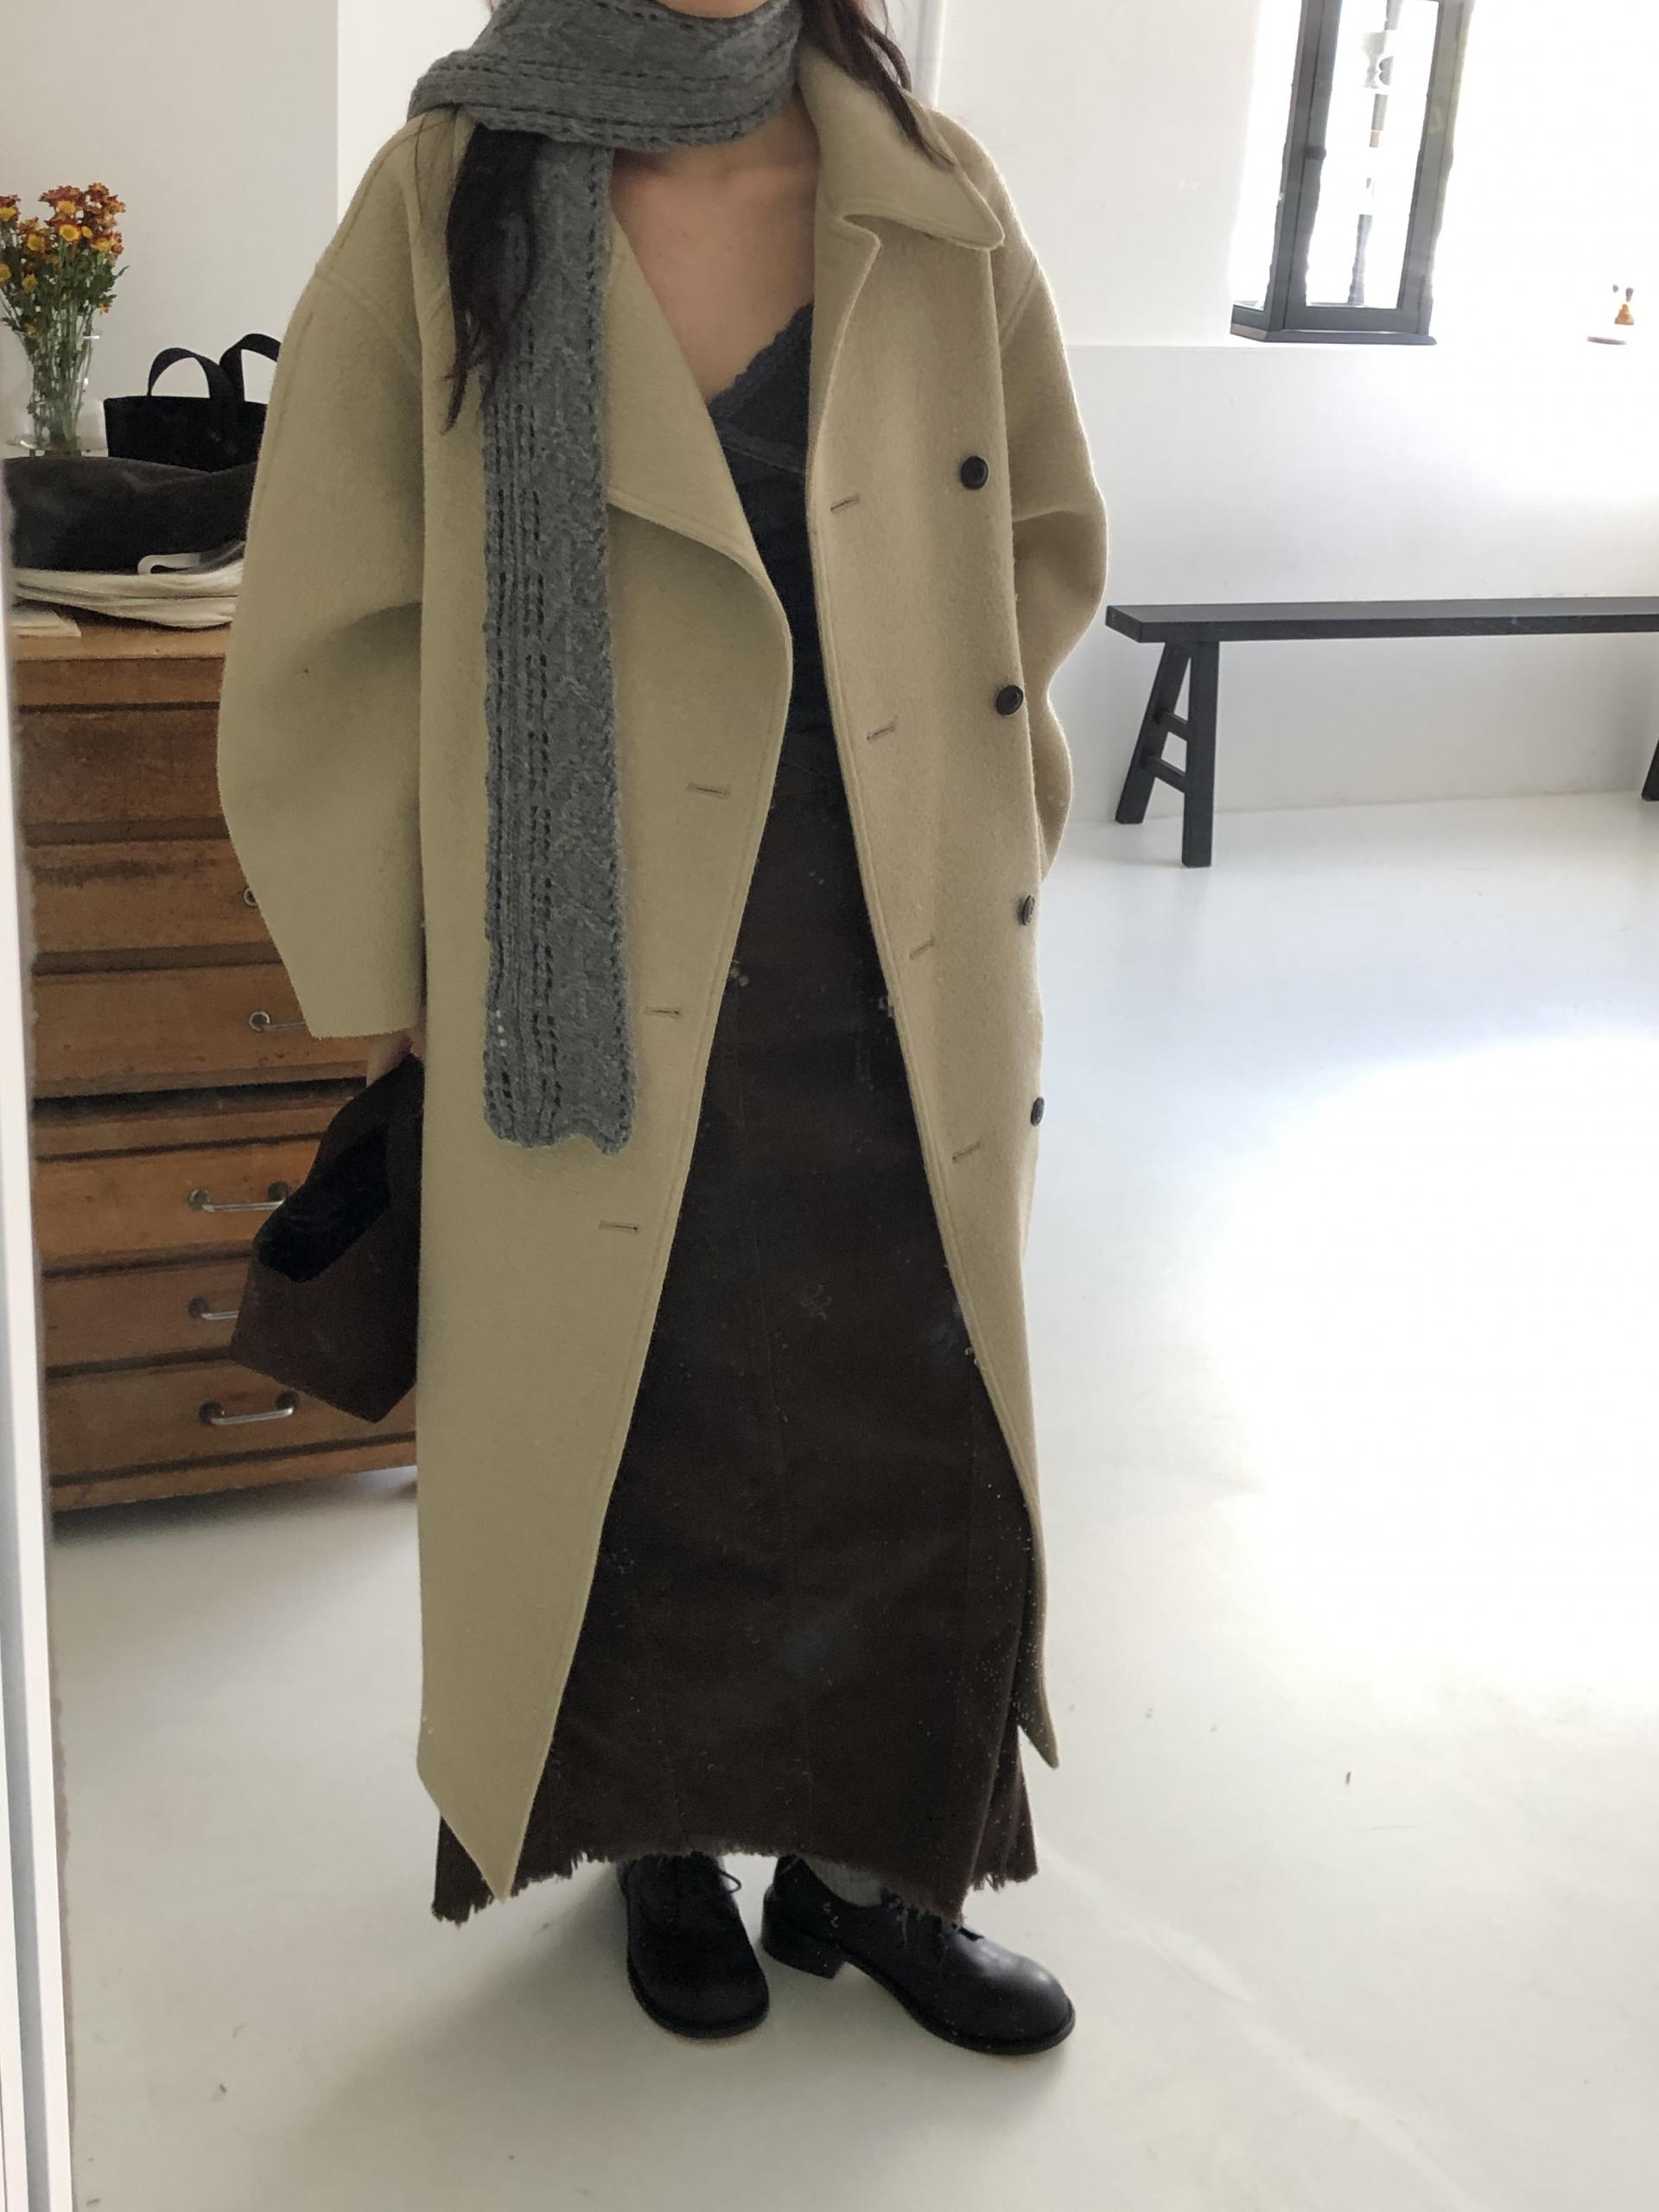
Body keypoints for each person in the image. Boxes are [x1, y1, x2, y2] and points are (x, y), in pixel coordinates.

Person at [216, 0, 1107, 2057]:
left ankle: (879, 1871)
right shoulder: (453, 191)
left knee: (911, 1423)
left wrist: (993, 820)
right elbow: (335, 603)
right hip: (580, 965)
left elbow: (1039, 542)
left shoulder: (927, 191)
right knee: (636, 1427)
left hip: (889, 953)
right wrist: (393, 974)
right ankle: (664, 1842)